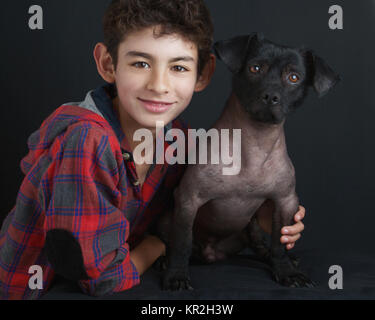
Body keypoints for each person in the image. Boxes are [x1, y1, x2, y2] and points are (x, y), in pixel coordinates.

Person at [0, 0, 305, 300]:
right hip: (32, 290)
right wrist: (157, 245)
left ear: (203, 74)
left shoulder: (176, 138)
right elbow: (100, 280)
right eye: (141, 63)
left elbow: (213, 196)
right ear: (109, 64)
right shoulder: (86, 141)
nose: (159, 85)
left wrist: (267, 214)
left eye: (178, 67)